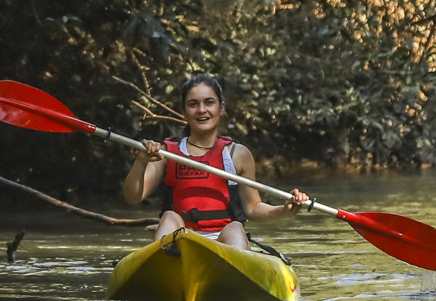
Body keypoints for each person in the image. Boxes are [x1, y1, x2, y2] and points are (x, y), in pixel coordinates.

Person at [121, 73, 312, 254]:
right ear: (184, 112)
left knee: (236, 227)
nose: (202, 110)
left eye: (209, 103)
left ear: (221, 108)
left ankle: (236, 267)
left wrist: (285, 209)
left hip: (224, 237)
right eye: (193, 104)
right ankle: (164, 262)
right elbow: (132, 197)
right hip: (181, 237)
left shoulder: (237, 154)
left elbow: (252, 208)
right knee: (169, 217)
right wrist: (141, 161)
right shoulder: (166, 153)